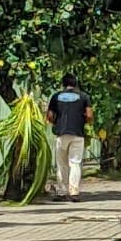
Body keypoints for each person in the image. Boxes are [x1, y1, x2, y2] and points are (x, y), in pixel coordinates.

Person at [46, 74, 93, 202]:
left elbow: (49, 116)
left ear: (63, 84)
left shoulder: (56, 96)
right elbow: (89, 115)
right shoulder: (84, 96)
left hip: (61, 134)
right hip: (78, 134)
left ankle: (61, 192)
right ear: (76, 83)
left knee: (62, 164)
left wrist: (56, 122)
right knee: (75, 163)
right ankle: (74, 192)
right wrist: (83, 120)